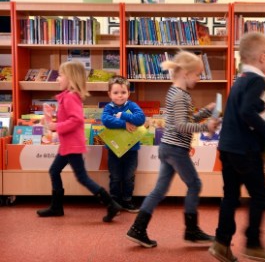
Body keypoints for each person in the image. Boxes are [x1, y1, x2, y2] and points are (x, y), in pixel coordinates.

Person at [126, 50, 220, 248]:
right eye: (197, 74)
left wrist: (204, 112)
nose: (199, 78)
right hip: (176, 148)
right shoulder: (180, 96)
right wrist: (206, 126)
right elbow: (181, 126)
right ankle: (191, 230)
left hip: (168, 147)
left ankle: (137, 228)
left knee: (159, 190)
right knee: (195, 184)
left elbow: (185, 120)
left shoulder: (177, 93)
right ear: (185, 73)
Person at [208, 32, 265, 262]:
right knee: (260, 196)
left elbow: (244, 110)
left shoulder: (240, 78)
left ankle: (221, 243)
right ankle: (253, 244)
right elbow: (246, 112)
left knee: (230, 197)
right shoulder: (257, 80)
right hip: (245, 151)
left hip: (228, 148)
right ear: (263, 57)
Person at [36, 61, 121, 223]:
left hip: (72, 145)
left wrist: (56, 126)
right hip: (68, 144)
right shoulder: (68, 97)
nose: (58, 79)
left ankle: (111, 204)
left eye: (61, 75)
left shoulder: (70, 97)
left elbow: (76, 120)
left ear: (71, 78)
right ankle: (56, 207)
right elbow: (68, 118)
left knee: (81, 177)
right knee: (54, 171)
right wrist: (50, 121)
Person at [101, 76, 146, 213]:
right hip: (114, 149)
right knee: (115, 176)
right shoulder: (108, 107)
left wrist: (123, 115)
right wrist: (124, 124)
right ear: (109, 94)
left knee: (129, 176)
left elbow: (141, 119)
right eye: (115, 93)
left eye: (123, 92)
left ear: (128, 93)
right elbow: (106, 120)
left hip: (131, 149)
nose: (119, 96)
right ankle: (114, 202)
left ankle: (127, 200)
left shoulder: (132, 105)